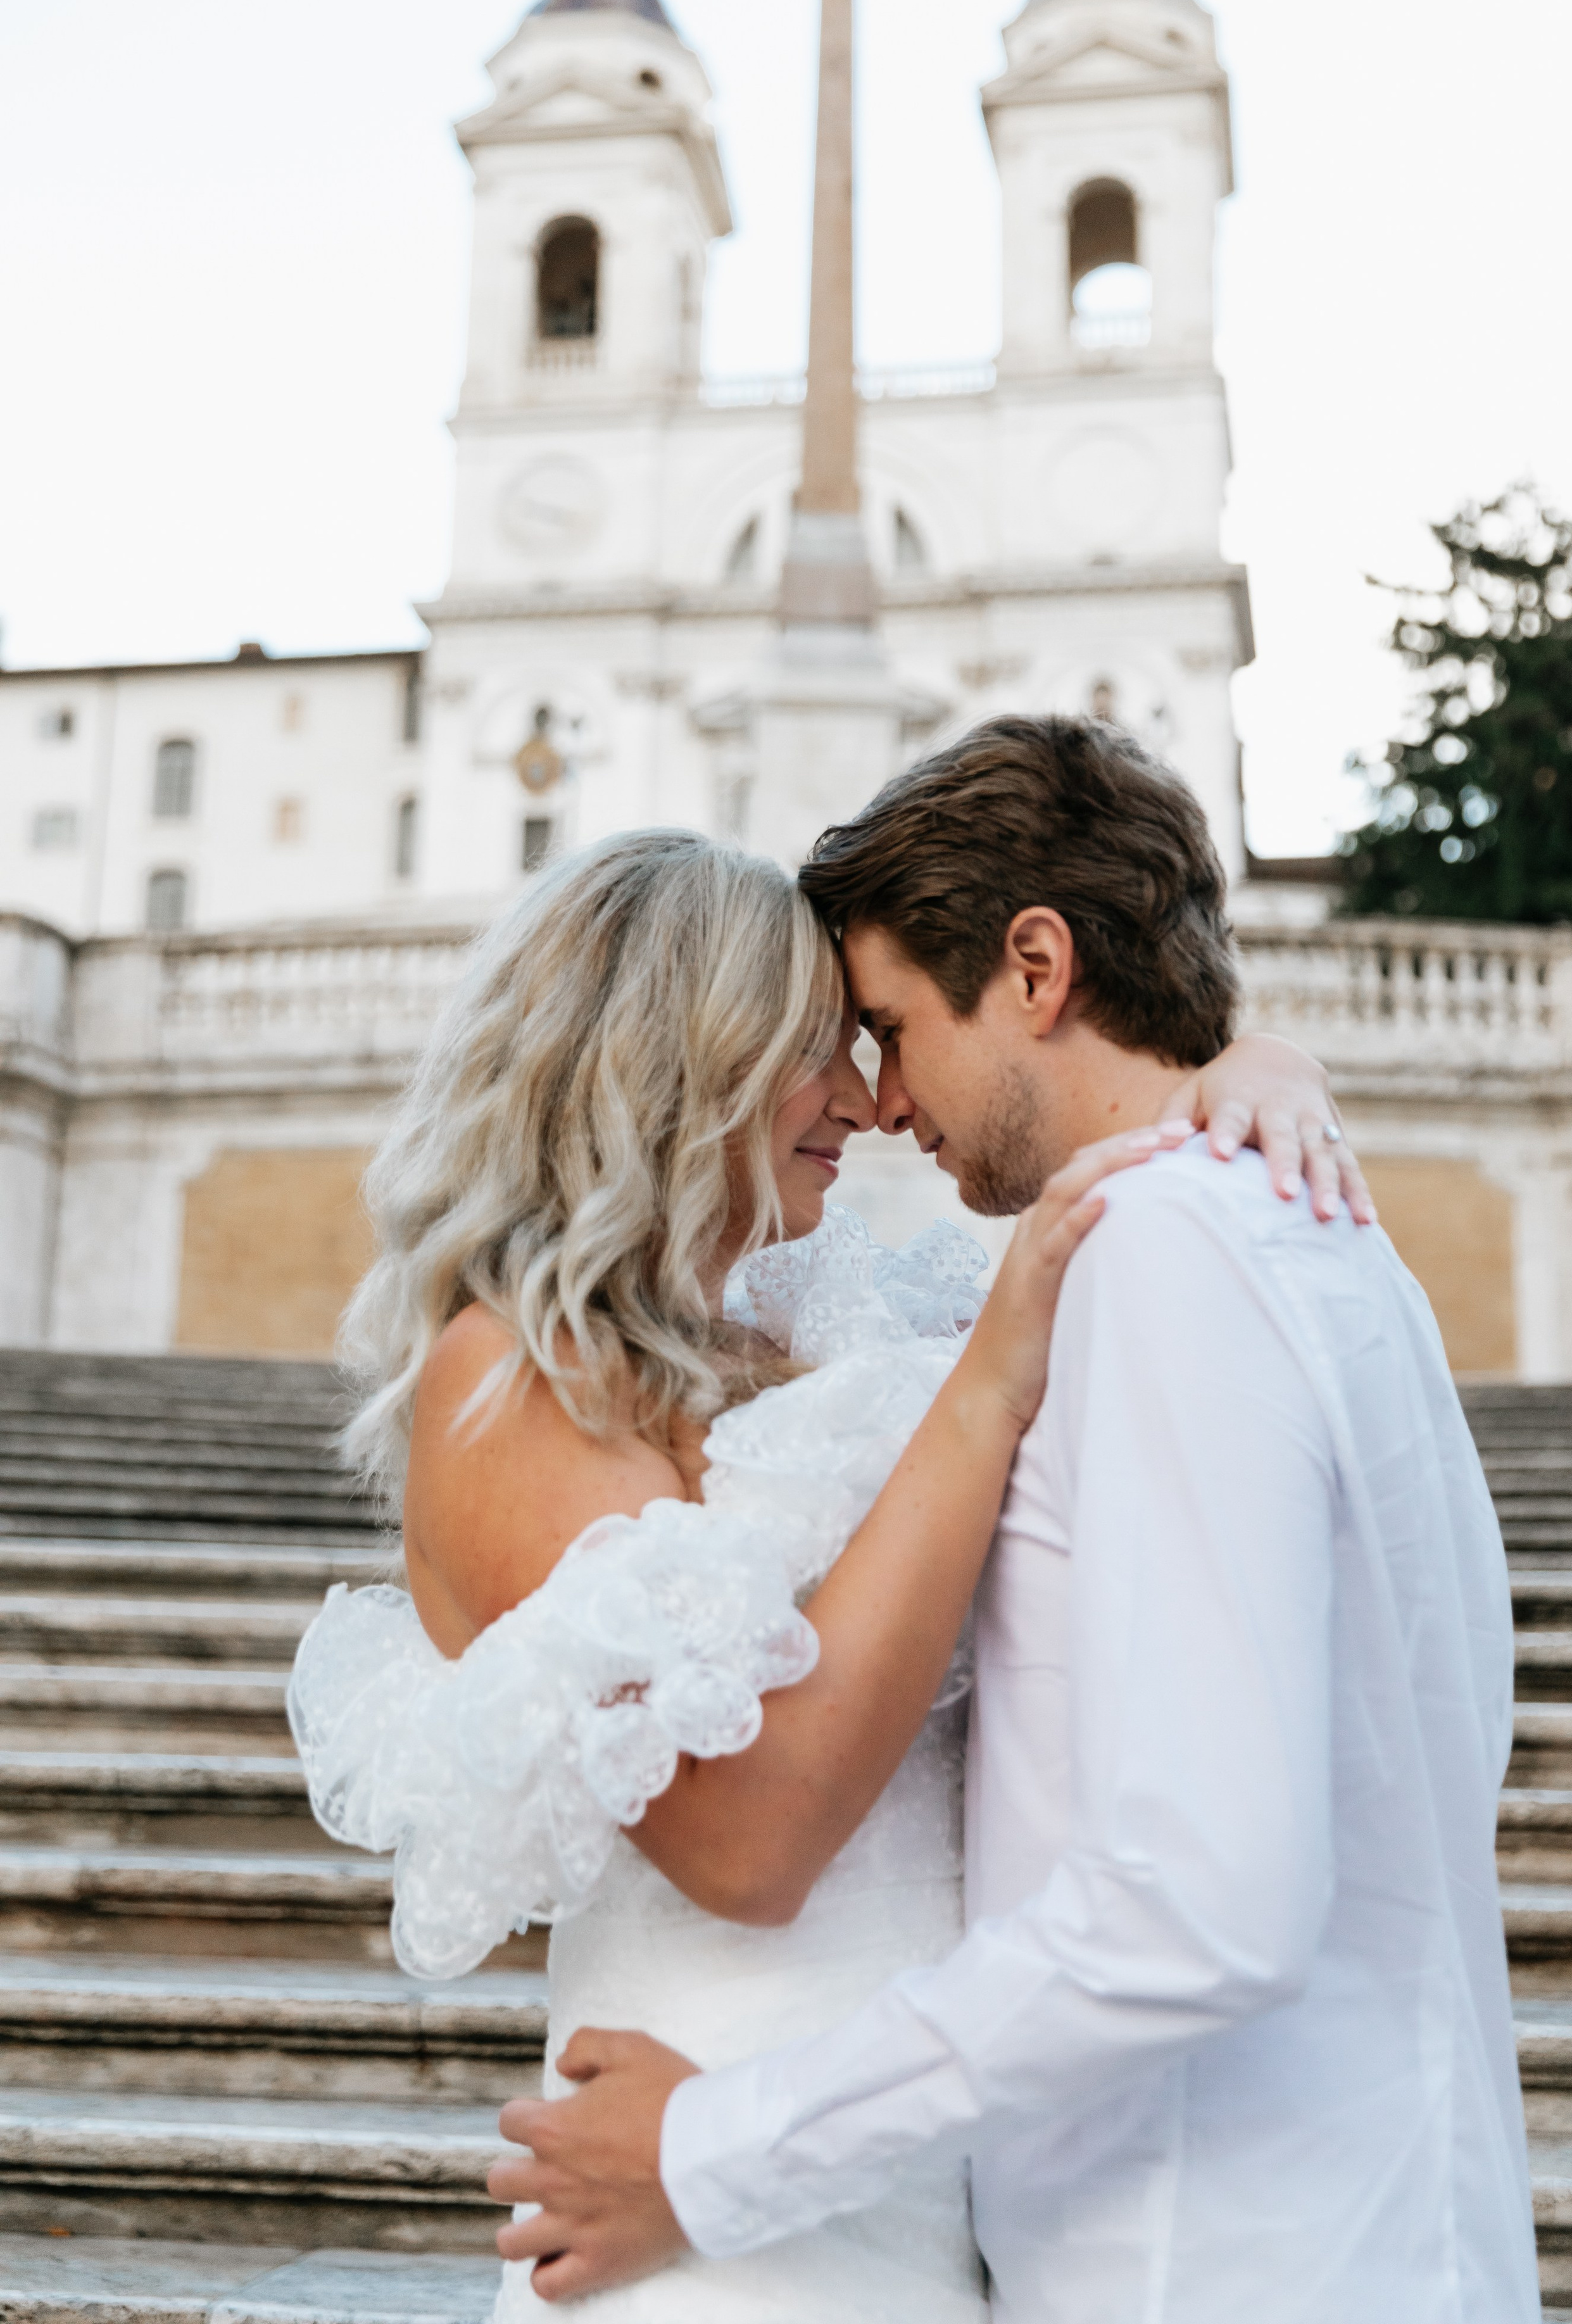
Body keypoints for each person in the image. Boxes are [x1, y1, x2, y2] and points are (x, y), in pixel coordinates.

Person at [490, 719, 1540, 2323]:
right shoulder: (1327, 1243)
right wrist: (1251, 1065)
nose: (880, 1096)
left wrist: (715, 2152)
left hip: (1215, 2264)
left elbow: (1199, 1904)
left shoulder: (1170, 1259)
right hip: (1359, 2225)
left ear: (1034, 966)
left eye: (894, 1025)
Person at [287, 811, 1365, 2323]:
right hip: (707, 2215)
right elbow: (751, 1843)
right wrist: (985, 1387)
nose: (864, 1100)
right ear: (681, 1057)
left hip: (903, 2173)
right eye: (816, 1046)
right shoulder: (509, 1380)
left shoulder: (809, 1322)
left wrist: (1244, 1076)